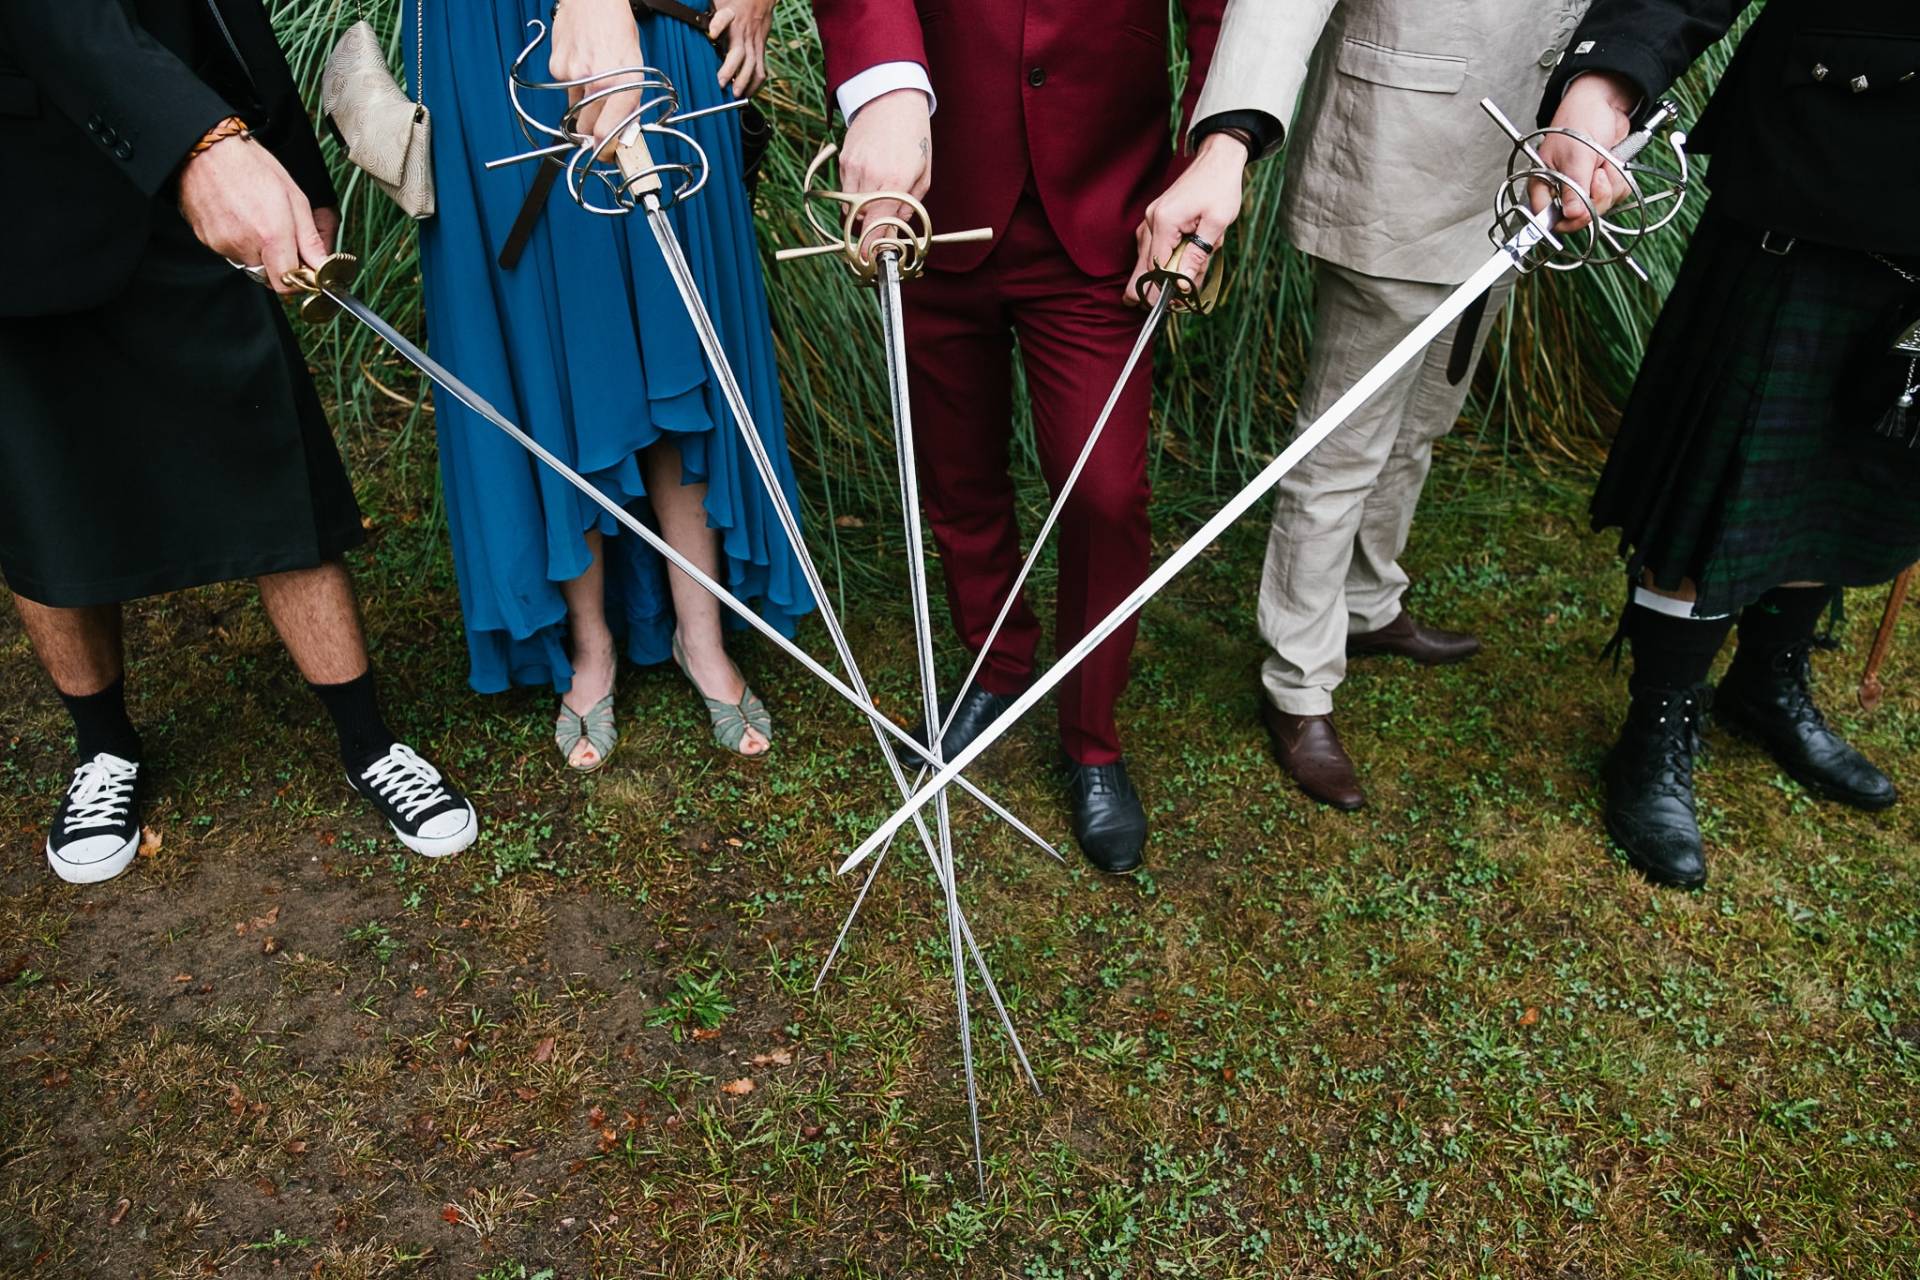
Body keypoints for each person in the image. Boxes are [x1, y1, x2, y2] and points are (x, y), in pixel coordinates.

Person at [0, 0, 480, 885]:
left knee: (272, 459)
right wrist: (201, 146)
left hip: (202, 167)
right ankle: (103, 749)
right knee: (46, 488)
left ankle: (368, 740)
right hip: (26, 192)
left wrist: (296, 167)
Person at [1134, 0, 1593, 811]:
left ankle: (1368, 601)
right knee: (1344, 448)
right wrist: (1228, 142)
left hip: (1527, 172)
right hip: (1397, 161)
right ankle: (1298, 684)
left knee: (1425, 420)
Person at [807, 0, 1225, 873]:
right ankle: (995, 661)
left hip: (1112, 207)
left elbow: (1225, 17)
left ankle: (1092, 737)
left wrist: (1210, 157)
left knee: (1105, 490)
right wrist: (880, 93)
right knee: (956, 468)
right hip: (930, 189)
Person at [1534, 0, 1920, 888]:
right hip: (1814, 175)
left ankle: (1766, 681)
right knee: (1728, 473)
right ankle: (1658, 723)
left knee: (1858, 472)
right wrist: (1607, 80)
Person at [409, 0, 809, 771]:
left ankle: (702, 631)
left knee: (675, 322)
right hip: (494, 34)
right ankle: (589, 641)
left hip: (661, 18)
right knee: (554, 336)